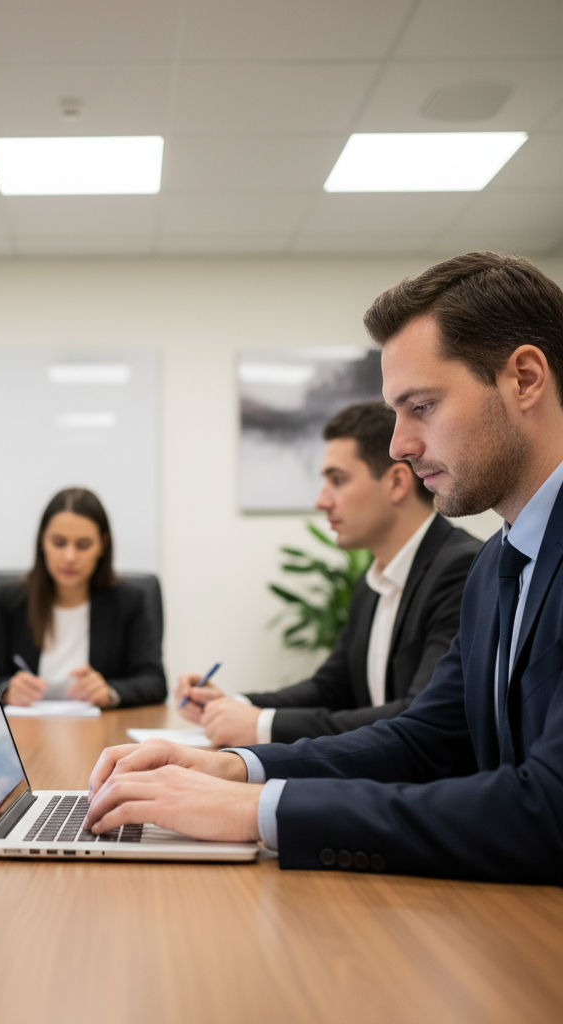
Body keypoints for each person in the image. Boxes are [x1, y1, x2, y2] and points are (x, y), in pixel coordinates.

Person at [84, 252, 563, 884]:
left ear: (525, 379)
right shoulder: (499, 563)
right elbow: (427, 739)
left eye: (422, 406)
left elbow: (547, 811)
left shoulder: (479, 562)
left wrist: (260, 809)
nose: (399, 446)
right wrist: (235, 767)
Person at [176, 401, 481, 745]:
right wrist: (232, 705)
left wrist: (264, 726)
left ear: (397, 482)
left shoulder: (461, 569)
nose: (322, 501)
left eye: (338, 480)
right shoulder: (373, 584)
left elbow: (421, 714)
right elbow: (331, 688)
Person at [0, 487, 166, 709]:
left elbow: (154, 681)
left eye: (83, 545)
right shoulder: (11, 600)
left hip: (100, 731)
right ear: (43, 541)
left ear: (102, 544)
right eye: (59, 543)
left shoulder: (129, 601)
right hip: (27, 730)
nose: (70, 557)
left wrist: (110, 691)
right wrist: (7, 690)